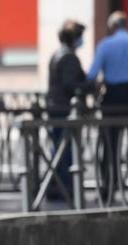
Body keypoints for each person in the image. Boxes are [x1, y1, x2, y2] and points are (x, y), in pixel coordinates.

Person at [87, 11, 128, 204]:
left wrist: (94, 94)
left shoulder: (105, 45)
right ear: (127, 24)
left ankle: (108, 186)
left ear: (111, 27)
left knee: (110, 145)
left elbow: (92, 75)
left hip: (114, 97)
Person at [45, 20, 91, 203]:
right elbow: (70, 84)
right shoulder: (69, 57)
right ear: (75, 38)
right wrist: (90, 85)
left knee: (58, 150)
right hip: (64, 110)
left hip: (55, 107)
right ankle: (63, 188)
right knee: (65, 151)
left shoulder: (57, 54)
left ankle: (56, 187)